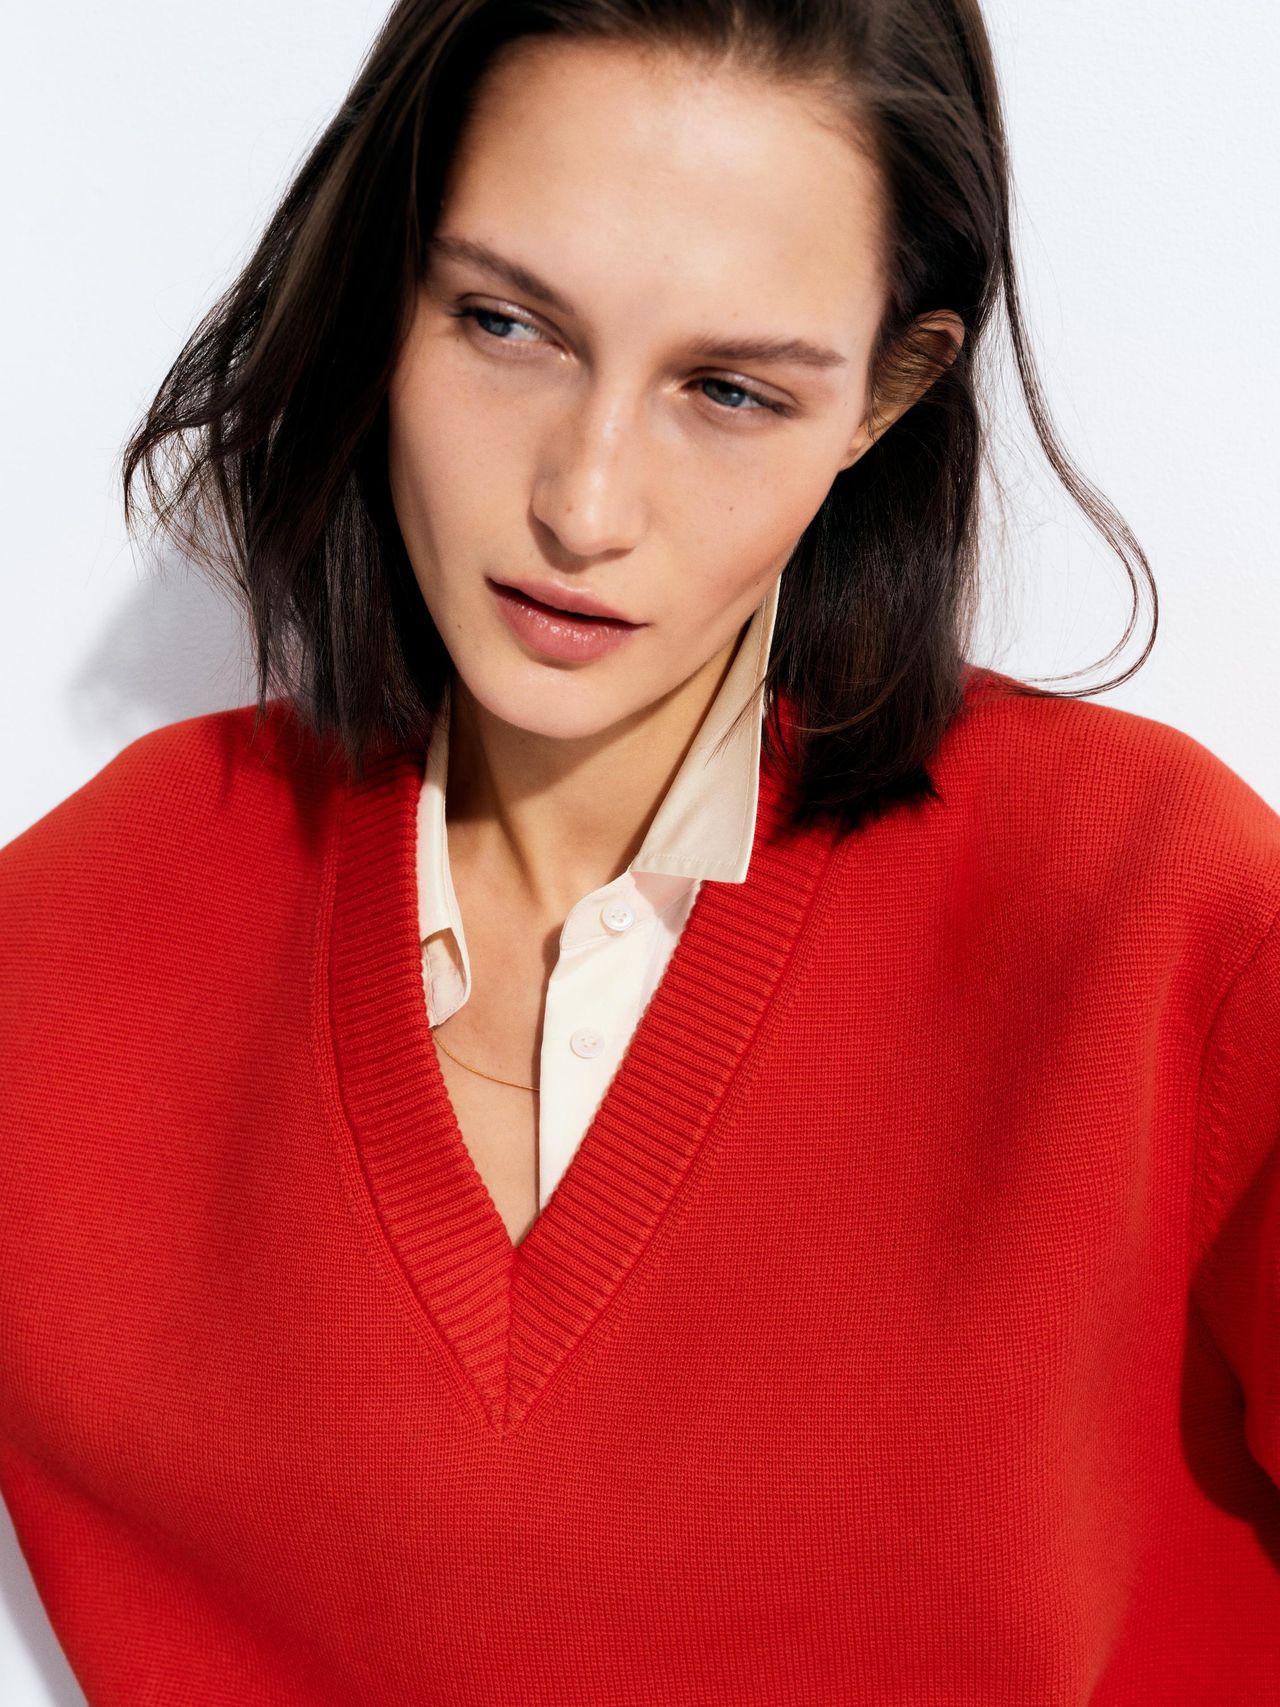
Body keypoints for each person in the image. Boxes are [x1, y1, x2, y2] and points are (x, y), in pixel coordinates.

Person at [1, 1, 1276, 1701]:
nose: (584, 504)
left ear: (887, 395)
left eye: (731, 390)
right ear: (384, 289)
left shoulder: (1157, 914)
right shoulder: (73, 949)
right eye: (506, 323)